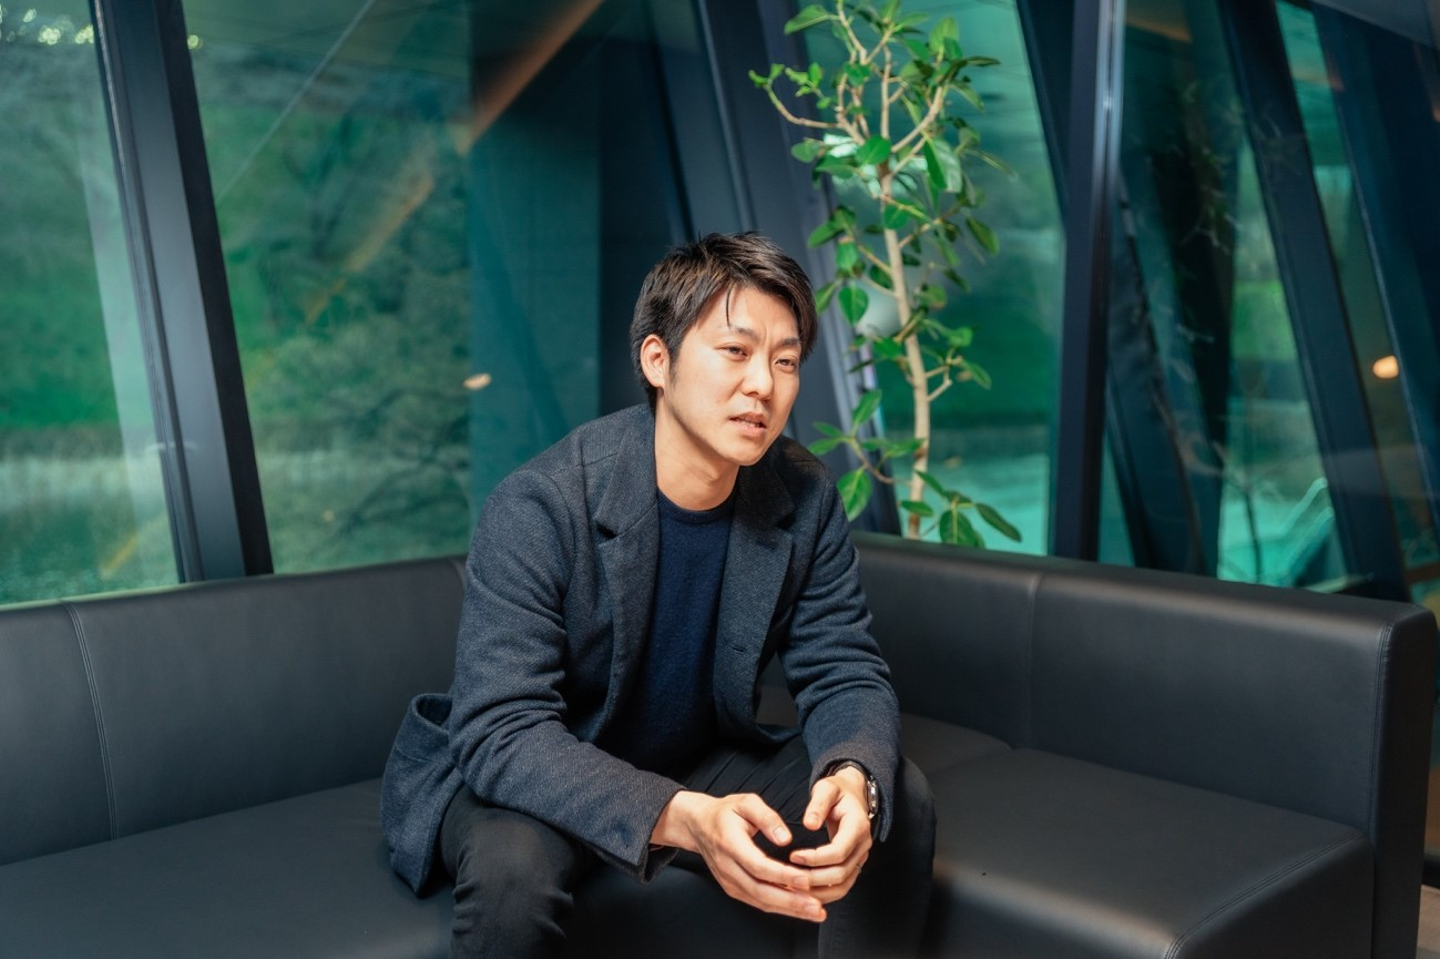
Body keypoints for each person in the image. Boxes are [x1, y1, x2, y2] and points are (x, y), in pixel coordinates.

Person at [380, 231, 935, 958]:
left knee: (895, 797)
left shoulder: (802, 493)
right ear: (657, 361)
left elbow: (844, 667)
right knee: (512, 878)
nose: (764, 385)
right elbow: (501, 728)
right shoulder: (541, 504)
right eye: (735, 351)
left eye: (785, 359)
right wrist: (678, 815)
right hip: (548, 757)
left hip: (692, 753)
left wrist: (853, 775)